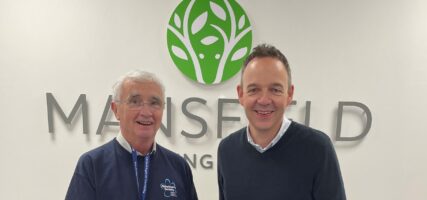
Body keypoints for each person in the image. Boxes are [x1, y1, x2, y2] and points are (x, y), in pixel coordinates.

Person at [217, 44, 346, 200]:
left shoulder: (317, 149)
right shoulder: (227, 150)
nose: (264, 100)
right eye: (254, 89)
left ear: (289, 94)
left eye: (275, 89)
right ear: (241, 94)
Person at [66, 70, 198, 200]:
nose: (146, 112)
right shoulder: (92, 165)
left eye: (154, 103)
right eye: (135, 102)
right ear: (116, 109)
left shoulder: (179, 167)